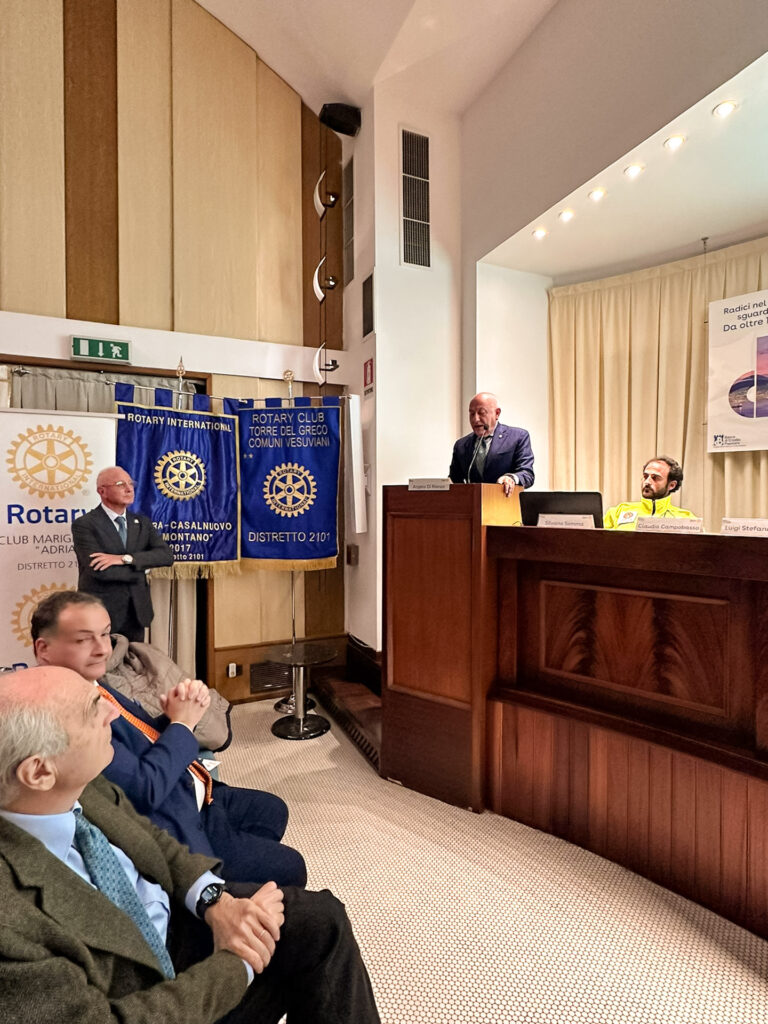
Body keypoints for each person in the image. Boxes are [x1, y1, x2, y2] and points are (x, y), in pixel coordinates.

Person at [0, 666, 380, 1024]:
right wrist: (236, 960)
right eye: (92, 711)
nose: (111, 715)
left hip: (171, 920)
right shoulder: (10, 927)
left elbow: (149, 838)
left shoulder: (77, 781)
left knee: (322, 921)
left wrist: (215, 900)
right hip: (149, 993)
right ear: (39, 771)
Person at [33, 590, 307, 888]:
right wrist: (182, 724)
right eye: (84, 640)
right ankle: (212, 885)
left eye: (105, 634)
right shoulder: (68, 714)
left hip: (192, 792)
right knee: (291, 866)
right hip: (172, 821)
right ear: (44, 648)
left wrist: (174, 714)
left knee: (271, 809)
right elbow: (144, 789)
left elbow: (142, 737)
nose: (102, 650)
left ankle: (236, 872)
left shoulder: (91, 683)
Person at [72, 465, 174, 641]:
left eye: (131, 483)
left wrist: (126, 559)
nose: (129, 489)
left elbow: (166, 556)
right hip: (101, 612)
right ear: (102, 491)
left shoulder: (142, 522)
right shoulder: (85, 524)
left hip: (137, 611)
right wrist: (143, 569)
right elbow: (100, 571)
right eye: (120, 484)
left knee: (134, 658)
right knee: (104, 659)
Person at [449, 391, 535, 496]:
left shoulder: (518, 437)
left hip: (504, 501)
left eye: (481, 413)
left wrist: (511, 478)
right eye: (472, 413)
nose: (475, 419)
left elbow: (527, 474)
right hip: (472, 503)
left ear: (497, 413)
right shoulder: (461, 445)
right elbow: (454, 481)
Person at [604, 456, 698, 530]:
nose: (647, 482)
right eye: (645, 476)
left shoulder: (687, 519)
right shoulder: (618, 511)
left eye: (655, 478)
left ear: (672, 485)